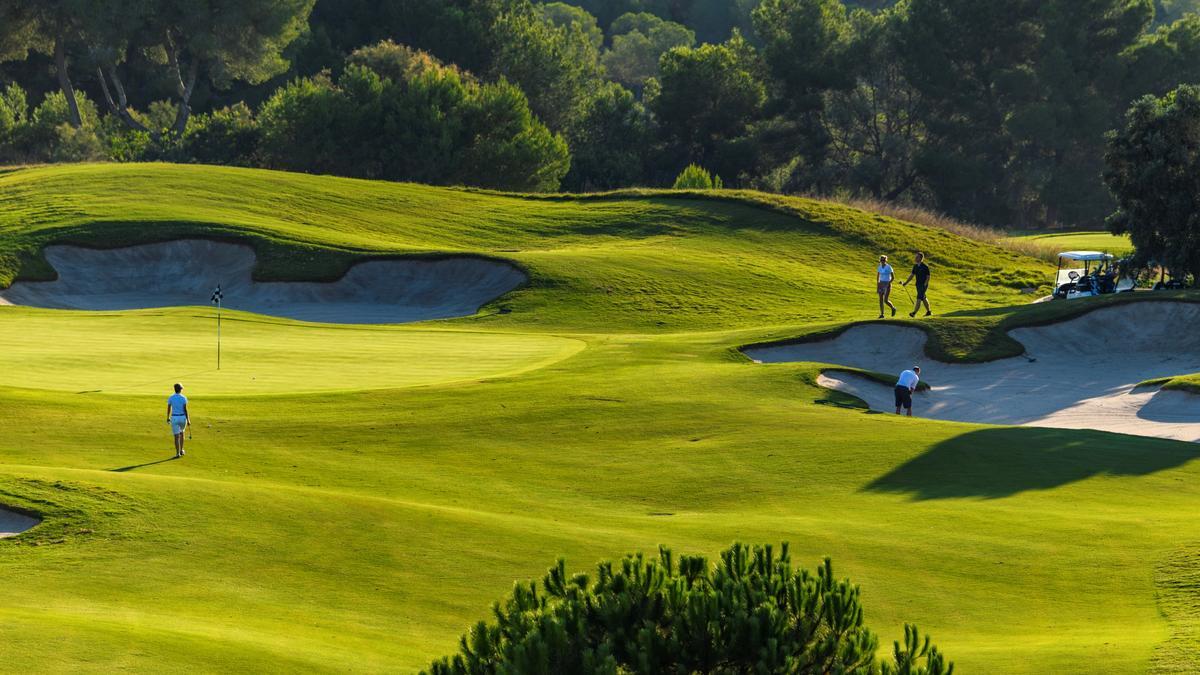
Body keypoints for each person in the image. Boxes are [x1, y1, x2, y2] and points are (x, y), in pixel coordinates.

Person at [902, 251, 932, 317]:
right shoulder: (915, 266)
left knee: (919, 298)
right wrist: (906, 283)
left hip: (923, 285)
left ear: (921, 258)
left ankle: (914, 313)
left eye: (917, 257)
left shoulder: (925, 266)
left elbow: (928, 276)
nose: (915, 258)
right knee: (923, 298)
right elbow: (912, 275)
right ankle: (929, 311)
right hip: (918, 285)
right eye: (915, 257)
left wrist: (925, 284)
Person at [166, 383, 190, 458]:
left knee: (176, 436)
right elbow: (185, 409)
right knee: (182, 433)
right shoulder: (183, 398)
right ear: (180, 389)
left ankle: (177, 453)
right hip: (182, 418)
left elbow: (169, 408)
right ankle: (181, 450)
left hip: (174, 418)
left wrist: (168, 417)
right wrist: (188, 420)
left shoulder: (171, 397)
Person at [876, 255, 897, 319]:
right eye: (881, 260)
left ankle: (893, 308)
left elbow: (893, 277)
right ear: (880, 260)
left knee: (885, 300)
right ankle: (882, 314)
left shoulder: (889, 267)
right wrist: (878, 284)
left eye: (884, 260)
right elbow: (878, 277)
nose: (883, 261)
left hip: (887, 283)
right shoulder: (879, 267)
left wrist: (888, 283)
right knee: (880, 299)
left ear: (886, 260)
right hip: (881, 283)